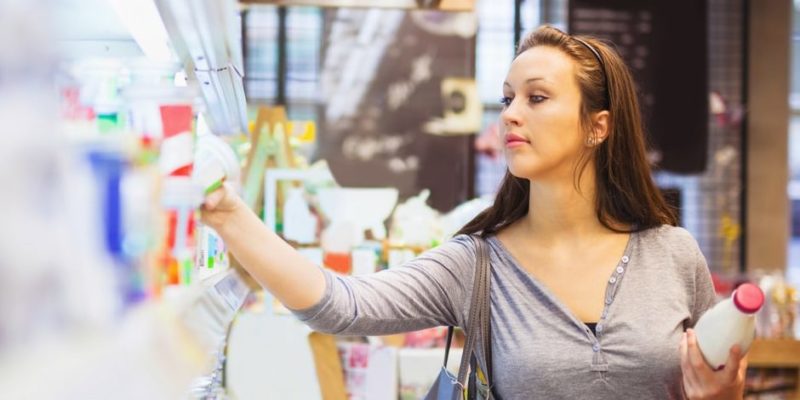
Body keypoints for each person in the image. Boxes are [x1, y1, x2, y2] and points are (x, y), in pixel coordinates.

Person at [201, 25, 746, 399]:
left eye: (536, 98)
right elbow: (341, 305)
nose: (509, 114)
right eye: (507, 98)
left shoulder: (673, 254)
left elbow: (719, 375)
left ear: (597, 126)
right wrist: (228, 213)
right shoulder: (478, 265)